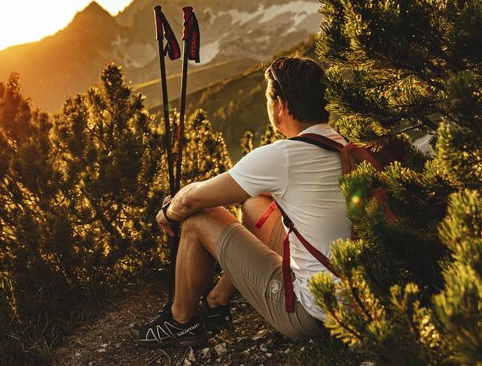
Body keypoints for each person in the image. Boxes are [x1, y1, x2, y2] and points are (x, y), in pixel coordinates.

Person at [130, 56, 350, 348]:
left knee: (198, 218)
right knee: (255, 203)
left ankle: (180, 322)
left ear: (281, 105)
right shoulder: (343, 146)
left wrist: (168, 212)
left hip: (311, 315)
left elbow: (190, 202)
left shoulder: (283, 156)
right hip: (355, 305)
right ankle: (217, 301)